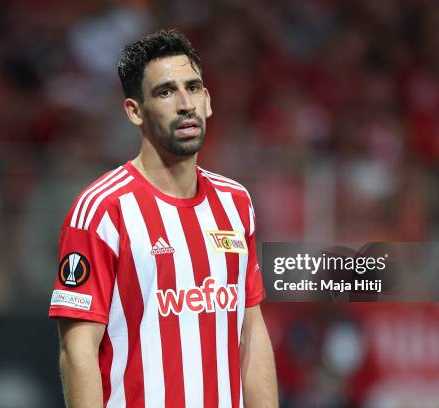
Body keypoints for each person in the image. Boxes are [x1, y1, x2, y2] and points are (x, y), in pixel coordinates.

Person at [48, 29, 277, 408]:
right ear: (134, 111)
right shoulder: (102, 210)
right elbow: (78, 350)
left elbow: (250, 330)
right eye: (166, 91)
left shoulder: (236, 202)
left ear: (208, 101)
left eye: (193, 87)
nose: (185, 103)